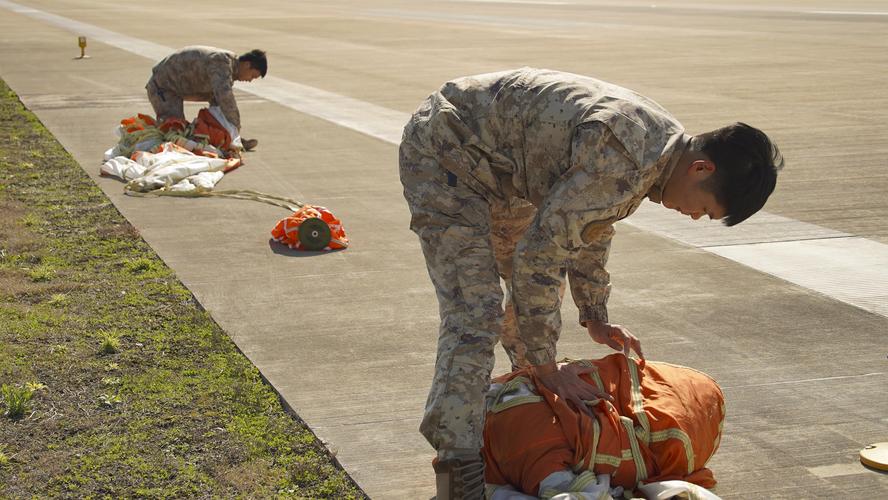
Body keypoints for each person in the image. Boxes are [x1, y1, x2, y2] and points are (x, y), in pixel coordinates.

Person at [398, 67, 783, 499]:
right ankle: (459, 464)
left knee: (532, 312)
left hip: (500, 169)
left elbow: (589, 228)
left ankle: (521, 415)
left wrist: (595, 315)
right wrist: (548, 364)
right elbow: (538, 257)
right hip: (447, 152)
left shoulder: (657, 156)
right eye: (706, 209)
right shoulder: (624, 155)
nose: (696, 217)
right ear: (700, 168)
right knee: (477, 311)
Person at [145, 46, 267, 151]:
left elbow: (220, 103)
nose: (250, 80)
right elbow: (225, 97)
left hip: (178, 87)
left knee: (218, 106)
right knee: (175, 134)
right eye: (253, 76)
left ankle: (229, 139)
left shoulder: (229, 68)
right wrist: (236, 125)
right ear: (247, 65)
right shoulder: (221, 62)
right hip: (163, 87)